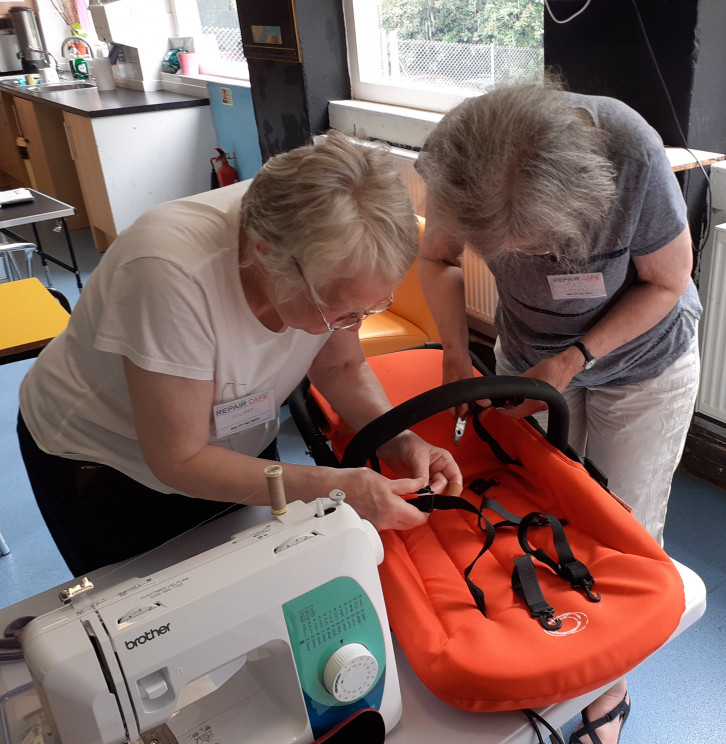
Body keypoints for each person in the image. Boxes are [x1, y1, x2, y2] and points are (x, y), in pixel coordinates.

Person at [17, 130, 462, 577]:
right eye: (339, 308)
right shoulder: (169, 273)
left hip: (235, 434)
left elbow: (342, 365)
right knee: (149, 618)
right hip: (113, 465)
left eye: (366, 309)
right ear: (266, 256)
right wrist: (334, 487)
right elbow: (179, 459)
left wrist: (400, 439)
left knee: (248, 583)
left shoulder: (324, 238)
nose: (351, 323)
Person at [416, 81, 701, 744]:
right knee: (540, 505)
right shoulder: (458, 158)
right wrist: (458, 354)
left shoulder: (631, 151)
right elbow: (437, 258)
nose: (536, 264)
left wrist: (572, 360)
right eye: (513, 253)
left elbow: (667, 280)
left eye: (544, 248)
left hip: (643, 361)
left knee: (622, 523)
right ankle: (557, 644)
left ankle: (610, 690)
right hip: (528, 357)